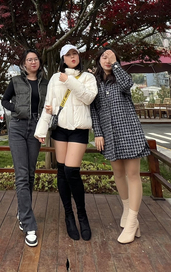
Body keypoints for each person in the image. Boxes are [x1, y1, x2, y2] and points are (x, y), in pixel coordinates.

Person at [34, 44, 98, 241]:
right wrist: (41, 129)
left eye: (75, 54)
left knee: (72, 171)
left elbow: (88, 98)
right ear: (62, 58)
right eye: (68, 55)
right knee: (61, 171)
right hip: (60, 130)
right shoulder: (55, 78)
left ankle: (82, 215)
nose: (72, 57)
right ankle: (68, 215)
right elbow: (49, 105)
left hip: (79, 130)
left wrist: (69, 80)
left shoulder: (88, 77)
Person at [90, 47, 150, 243]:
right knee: (118, 173)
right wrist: (98, 133)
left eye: (111, 57)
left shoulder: (121, 77)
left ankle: (132, 221)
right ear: (98, 60)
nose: (107, 60)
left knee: (133, 174)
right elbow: (94, 110)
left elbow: (128, 84)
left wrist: (116, 65)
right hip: (109, 135)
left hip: (129, 131)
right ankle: (127, 211)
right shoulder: (95, 82)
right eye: (104, 57)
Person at [1, 49, 48, 247]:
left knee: (29, 174)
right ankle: (29, 224)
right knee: (21, 174)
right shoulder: (15, 81)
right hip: (18, 127)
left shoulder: (46, 83)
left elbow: (50, 103)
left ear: (39, 62)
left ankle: (22, 212)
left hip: (36, 128)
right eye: (29, 60)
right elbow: (5, 101)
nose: (33, 62)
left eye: (35, 59)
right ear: (23, 64)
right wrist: (17, 109)